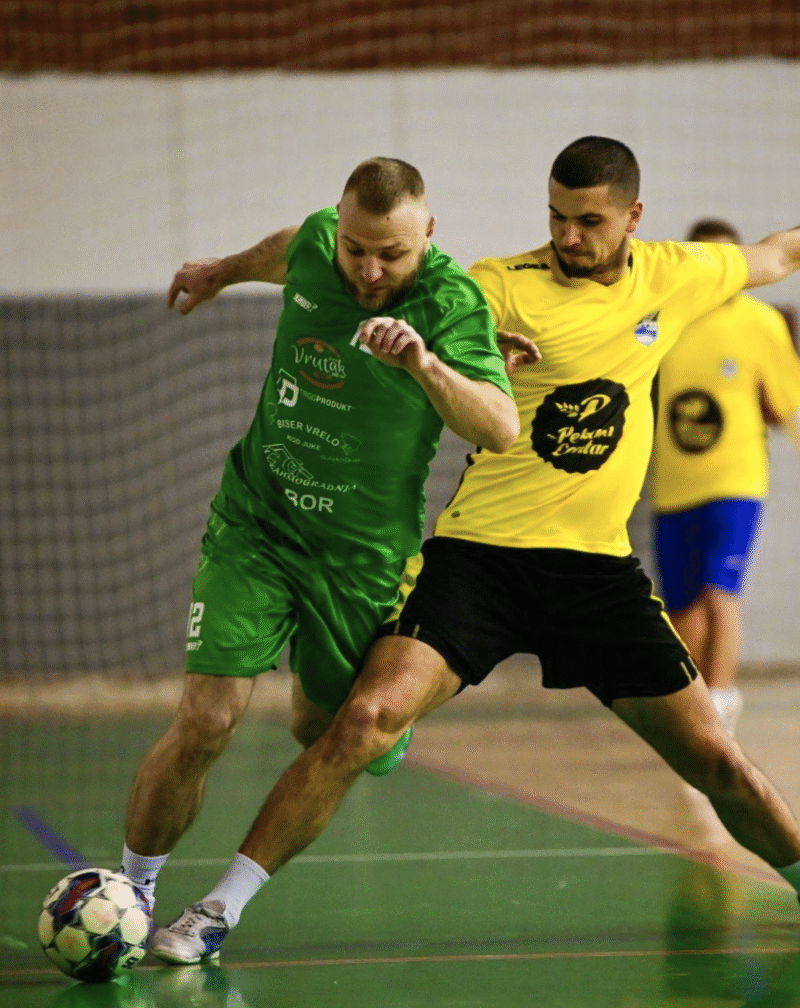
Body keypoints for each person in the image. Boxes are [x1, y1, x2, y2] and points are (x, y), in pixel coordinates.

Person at [149, 136, 800, 965]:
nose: (568, 237)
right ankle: (218, 910)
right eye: (556, 218)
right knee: (364, 720)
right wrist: (451, 348)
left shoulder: (680, 273)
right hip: (480, 559)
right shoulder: (493, 285)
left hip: (597, 572)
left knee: (720, 762)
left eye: (589, 222)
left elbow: (778, 253)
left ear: (633, 216)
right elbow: (392, 285)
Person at [119, 156, 524, 947]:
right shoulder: (315, 244)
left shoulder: (451, 305)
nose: (369, 271)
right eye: (355, 249)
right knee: (206, 719)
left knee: (324, 728)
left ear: (428, 235)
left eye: (391, 255)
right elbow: (285, 248)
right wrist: (221, 272)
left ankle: (379, 723)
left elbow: (501, 427)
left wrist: (425, 363)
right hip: (257, 523)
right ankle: (132, 898)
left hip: (359, 557)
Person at [650, 218, 800, 737]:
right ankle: (693, 705)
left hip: (735, 482)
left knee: (720, 590)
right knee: (682, 608)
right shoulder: (665, 321)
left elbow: (787, 405)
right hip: (674, 486)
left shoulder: (761, 322)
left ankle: (721, 697)